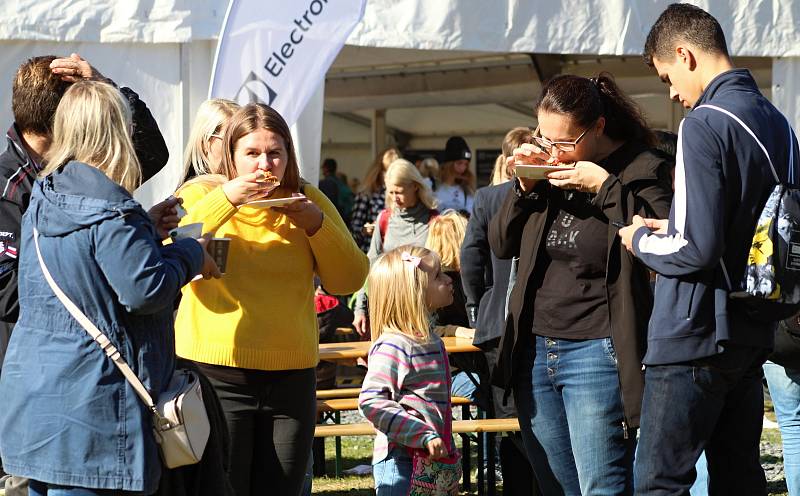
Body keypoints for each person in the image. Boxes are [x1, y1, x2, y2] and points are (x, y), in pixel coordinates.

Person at [0, 80, 216, 496]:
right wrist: (189, 253)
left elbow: (83, 267)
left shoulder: (44, 196)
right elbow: (146, 290)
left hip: (37, 403)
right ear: (117, 131)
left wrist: (145, 234)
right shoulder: (113, 211)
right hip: (94, 411)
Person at [617, 5, 800, 494]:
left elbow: (695, 248)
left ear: (685, 54)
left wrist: (641, 240)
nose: (673, 94)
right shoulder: (779, 123)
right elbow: (755, 222)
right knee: (738, 478)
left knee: (660, 482)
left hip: (695, 330)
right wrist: (673, 223)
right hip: (751, 330)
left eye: (666, 78)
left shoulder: (704, 123)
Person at [490, 72, 673, 495]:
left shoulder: (642, 167)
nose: (554, 151)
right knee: (555, 484)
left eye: (565, 142)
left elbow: (663, 239)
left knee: (600, 487)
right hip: (534, 349)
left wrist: (604, 187)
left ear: (599, 128)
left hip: (596, 350)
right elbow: (501, 244)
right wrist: (523, 184)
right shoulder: (546, 171)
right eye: (544, 137)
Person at [173, 103, 368, 496]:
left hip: (291, 375)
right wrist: (227, 198)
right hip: (216, 373)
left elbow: (350, 278)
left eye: (275, 153)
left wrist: (314, 223)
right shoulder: (200, 193)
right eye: (252, 153)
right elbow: (172, 249)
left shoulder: (305, 198)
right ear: (231, 155)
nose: (265, 163)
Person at [460, 126, 548, 496]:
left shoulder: (486, 198)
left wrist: (477, 308)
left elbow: (470, 259)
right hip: (538, 319)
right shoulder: (545, 194)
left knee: (508, 419)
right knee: (542, 415)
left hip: (497, 322)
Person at [358, 245, 458, 495]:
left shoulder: (430, 340)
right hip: (401, 461)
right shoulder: (395, 345)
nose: (449, 279)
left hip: (429, 459)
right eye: (438, 276)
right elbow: (371, 401)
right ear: (413, 292)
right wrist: (422, 434)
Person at [352, 158, 438, 336]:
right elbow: (369, 267)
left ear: (415, 186)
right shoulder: (384, 219)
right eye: (390, 193)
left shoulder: (434, 220)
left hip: (426, 315)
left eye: (399, 192)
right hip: (389, 312)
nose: (394, 198)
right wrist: (360, 308)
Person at [350, 147, 400, 252]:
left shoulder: (403, 196)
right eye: (387, 171)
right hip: (372, 256)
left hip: (395, 255)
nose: (390, 176)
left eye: (395, 172)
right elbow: (352, 234)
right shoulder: (366, 195)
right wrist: (365, 230)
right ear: (379, 171)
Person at [182, 98, 240, 182]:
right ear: (204, 143)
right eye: (229, 141)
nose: (237, 150)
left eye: (243, 141)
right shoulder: (191, 192)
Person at [436, 136, 475, 215]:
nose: (463, 168)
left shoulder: (467, 190)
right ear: (448, 164)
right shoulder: (434, 187)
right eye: (459, 163)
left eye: (466, 164)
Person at [318, 158, 353, 225]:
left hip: (332, 220)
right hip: (345, 220)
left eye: (323, 168)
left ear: (326, 168)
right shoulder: (341, 182)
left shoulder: (323, 184)